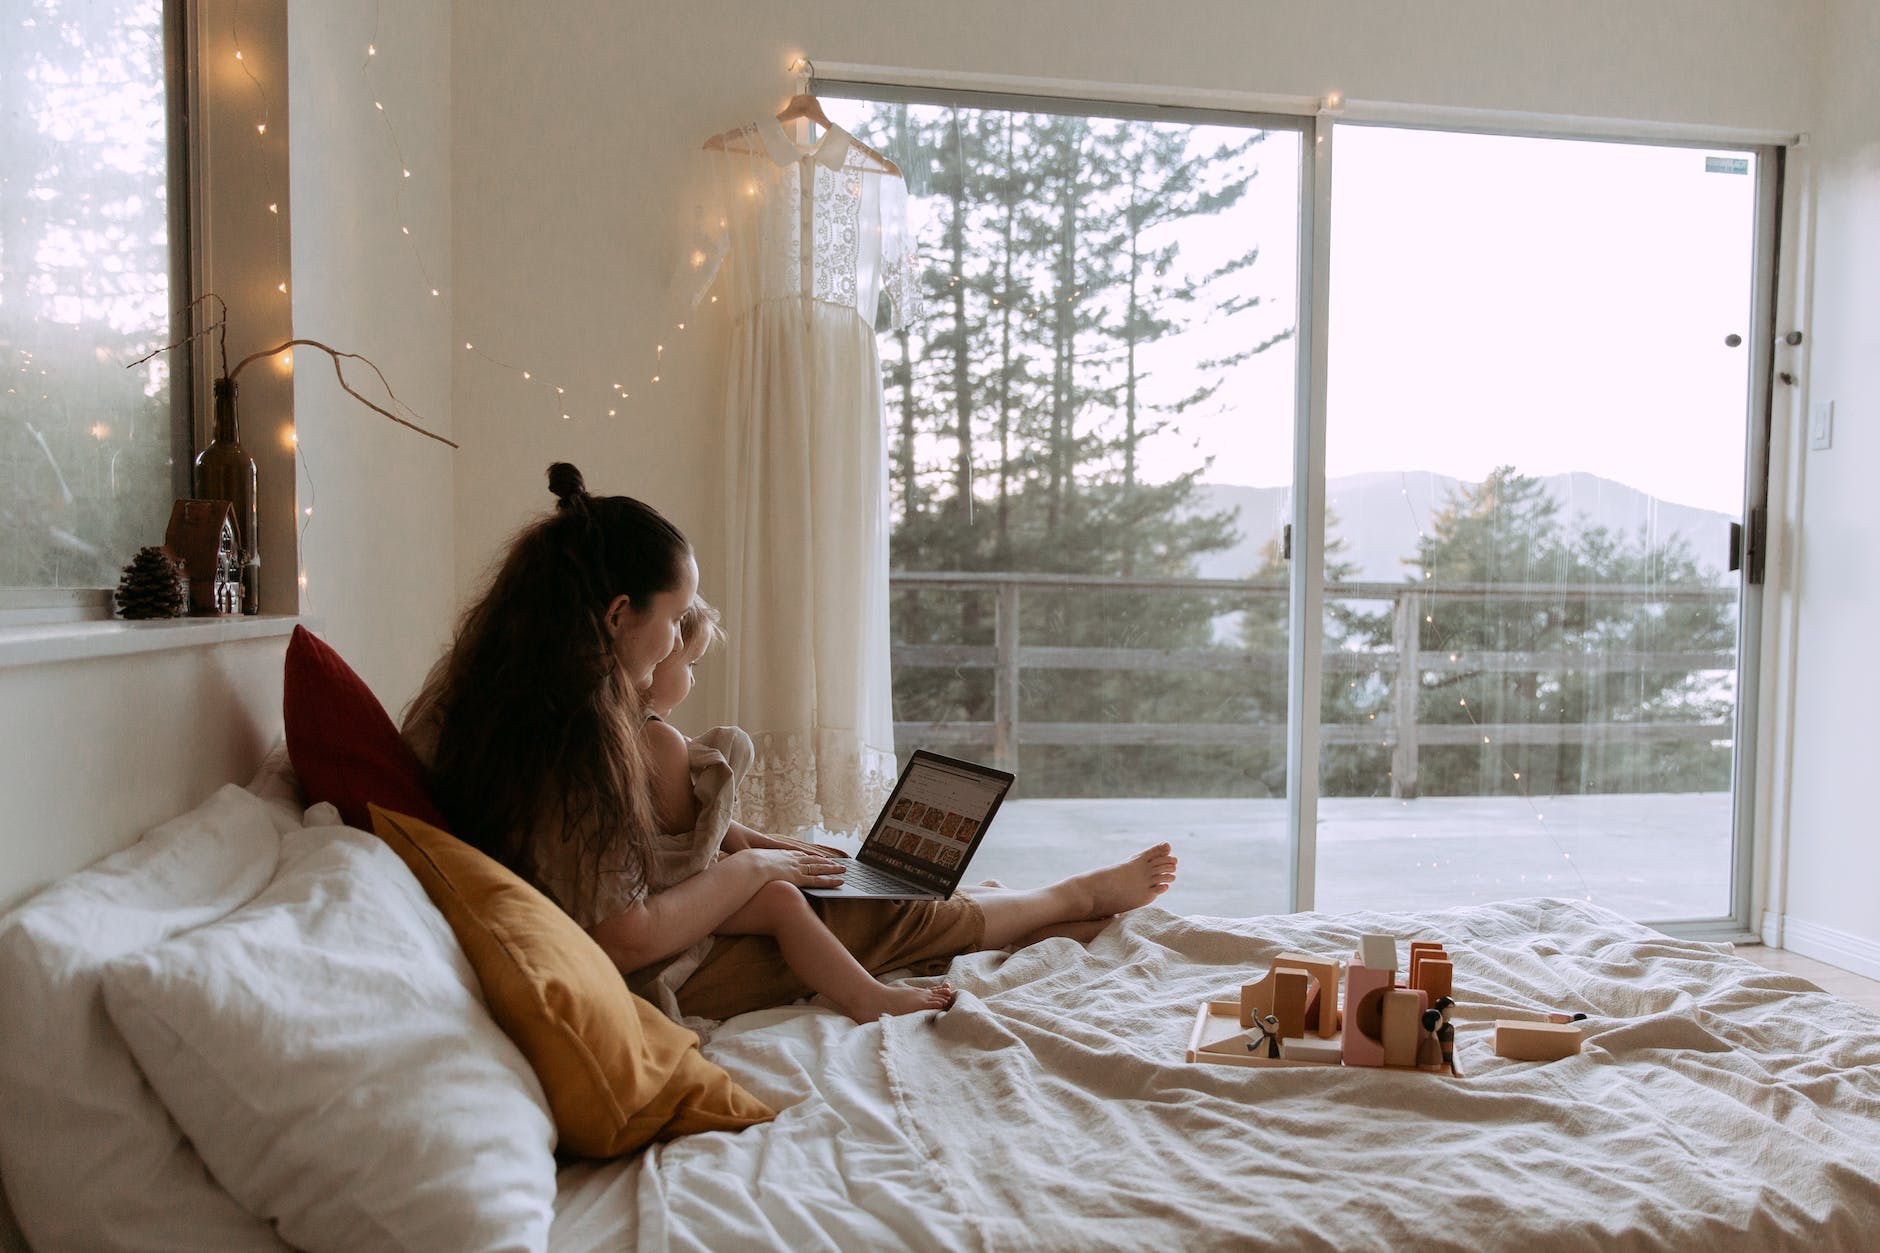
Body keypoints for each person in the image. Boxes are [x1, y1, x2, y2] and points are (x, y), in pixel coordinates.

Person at [405, 462, 1179, 1023]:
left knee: (845, 885)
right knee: (882, 914)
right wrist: (754, 865)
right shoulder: (574, 745)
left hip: (655, 921)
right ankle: (1070, 899)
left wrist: (765, 852)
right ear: (616, 615)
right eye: (675, 620)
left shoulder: (484, 691)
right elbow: (619, 933)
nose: (680, 639)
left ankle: (1016, 910)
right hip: (651, 961)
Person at [639, 598, 952, 1022]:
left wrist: (767, 847)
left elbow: (707, 832)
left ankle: (984, 901)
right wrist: (755, 868)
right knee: (782, 899)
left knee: (808, 866)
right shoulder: (659, 741)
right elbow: (690, 864)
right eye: (691, 665)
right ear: (652, 661)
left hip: (655, 892)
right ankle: (868, 997)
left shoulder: (621, 728)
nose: (693, 680)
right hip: (668, 901)